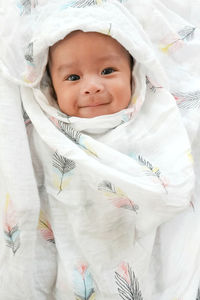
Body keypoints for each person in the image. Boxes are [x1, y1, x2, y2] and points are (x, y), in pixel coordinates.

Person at [0, 1, 199, 299]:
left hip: (143, 254)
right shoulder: (45, 133)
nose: (91, 86)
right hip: (78, 256)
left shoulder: (157, 124)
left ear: (133, 70)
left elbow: (177, 184)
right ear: (50, 87)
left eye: (107, 70)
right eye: (73, 77)